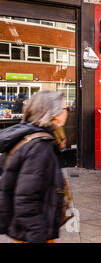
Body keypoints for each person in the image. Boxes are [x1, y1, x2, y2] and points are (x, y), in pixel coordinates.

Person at [0, 91, 69, 243]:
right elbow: (25, 199)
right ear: (54, 113)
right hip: (32, 233)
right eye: (66, 108)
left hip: (24, 230)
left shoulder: (27, 136)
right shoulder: (40, 146)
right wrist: (39, 233)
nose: (67, 111)